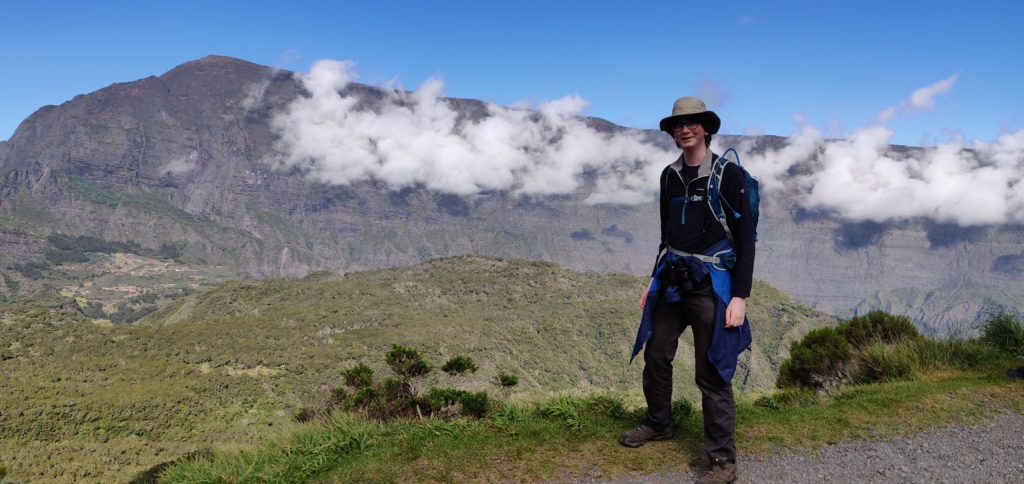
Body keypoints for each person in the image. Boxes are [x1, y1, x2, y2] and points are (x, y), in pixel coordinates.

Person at [619, 97, 755, 484]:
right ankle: (660, 423)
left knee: (711, 372)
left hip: (709, 285)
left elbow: (746, 240)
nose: (684, 130)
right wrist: (652, 280)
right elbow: (667, 235)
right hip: (673, 281)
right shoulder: (669, 176)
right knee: (657, 353)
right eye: (678, 125)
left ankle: (722, 463)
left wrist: (740, 297)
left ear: (706, 128)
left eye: (691, 123)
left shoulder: (728, 176)